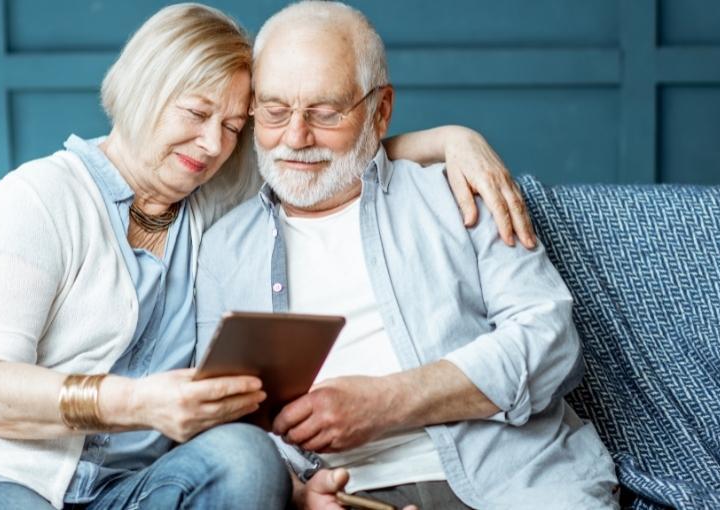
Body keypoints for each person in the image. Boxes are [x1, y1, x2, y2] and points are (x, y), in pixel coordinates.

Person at [0, 3, 532, 510]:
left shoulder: (208, 197)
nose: (214, 143)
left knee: (247, 458)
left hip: (124, 489)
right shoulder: (39, 197)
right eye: (195, 113)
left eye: (236, 126)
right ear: (143, 89)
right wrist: (135, 403)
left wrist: (453, 139)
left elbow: (322, 153)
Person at [195, 2, 619, 509]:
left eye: (326, 113)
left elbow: (549, 341)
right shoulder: (223, 248)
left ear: (381, 111)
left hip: (514, 480)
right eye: (274, 109)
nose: (295, 137)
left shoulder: (458, 193)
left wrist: (386, 401)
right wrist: (298, 493)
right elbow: (223, 418)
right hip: (343, 498)